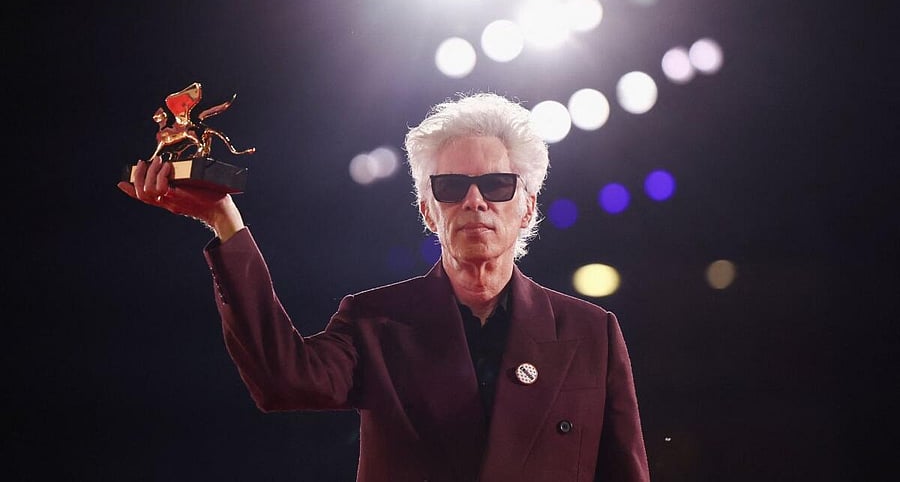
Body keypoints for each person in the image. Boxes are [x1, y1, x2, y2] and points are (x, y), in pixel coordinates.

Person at [118, 92, 650, 481]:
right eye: (449, 187)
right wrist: (224, 222)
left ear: (528, 204)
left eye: (496, 184)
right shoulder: (375, 321)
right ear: (427, 209)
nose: (475, 201)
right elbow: (283, 380)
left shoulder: (591, 333)